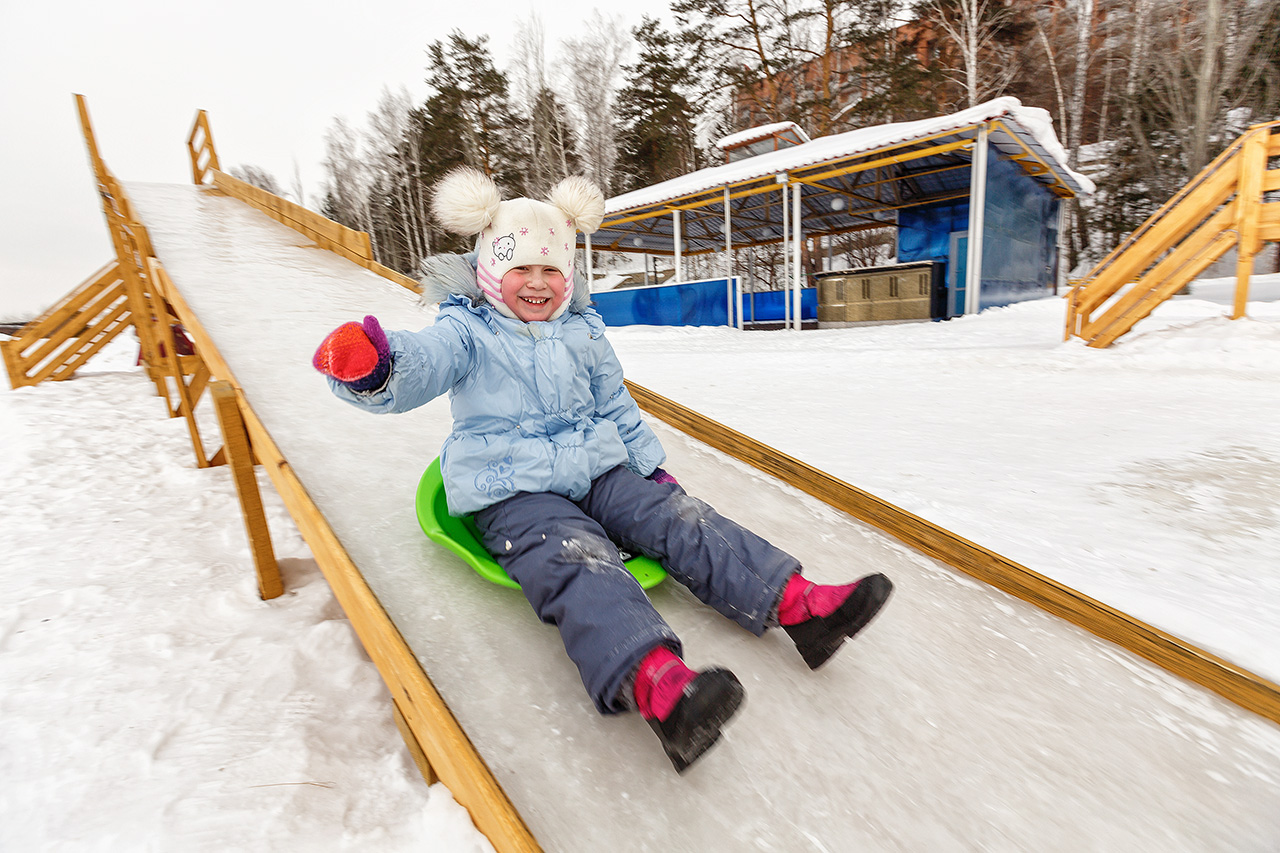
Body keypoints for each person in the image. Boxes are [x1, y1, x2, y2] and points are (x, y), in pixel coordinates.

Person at [312, 168, 893, 773]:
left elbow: (615, 402)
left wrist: (651, 472)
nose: (537, 284)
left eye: (551, 270)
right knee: (576, 556)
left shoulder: (582, 330)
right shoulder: (468, 331)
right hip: (512, 488)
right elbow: (424, 362)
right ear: (489, 272)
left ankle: (800, 606)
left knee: (681, 517)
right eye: (521, 269)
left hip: (597, 467)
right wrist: (380, 364)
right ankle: (658, 688)